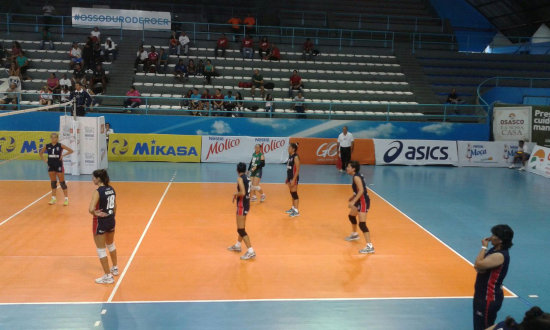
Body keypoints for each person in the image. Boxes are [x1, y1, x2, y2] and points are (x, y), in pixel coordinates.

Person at [473, 224, 514, 330]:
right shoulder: (493, 250)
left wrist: (483, 247)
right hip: (481, 295)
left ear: (500, 240)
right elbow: (479, 268)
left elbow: (478, 264)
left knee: (484, 327)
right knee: (478, 326)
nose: (491, 237)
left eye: (494, 235)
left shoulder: (499, 255)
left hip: (488, 298)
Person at [89, 169, 118, 284]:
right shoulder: (111, 189)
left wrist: (95, 213)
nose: (92, 179)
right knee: (110, 244)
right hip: (111, 220)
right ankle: (115, 268)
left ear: (98, 179)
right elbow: (115, 206)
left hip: (100, 222)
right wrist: (111, 216)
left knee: (101, 250)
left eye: (93, 178)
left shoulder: (98, 191)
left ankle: (108, 276)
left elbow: (91, 209)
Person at [227, 162, 256, 260]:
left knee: (240, 229)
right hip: (246, 204)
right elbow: (248, 191)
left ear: (237, 170)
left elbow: (242, 192)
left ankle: (251, 251)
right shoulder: (247, 178)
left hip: (241, 205)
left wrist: (235, 194)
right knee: (241, 226)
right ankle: (238, 245)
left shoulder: (240, 178)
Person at [345, 161, 375, 254]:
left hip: (363, 202)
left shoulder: (356, 177)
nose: (347, 168)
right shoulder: (356, 175)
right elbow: (358, 190)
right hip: (359, 200)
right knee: (351, 216)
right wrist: (353, 196)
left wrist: (353, 201)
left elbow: (361, 190)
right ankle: (354, 234)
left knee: (362, 224)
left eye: (348, 166)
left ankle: (369, 246)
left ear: (353, 169)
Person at [39, 133, 73, 206]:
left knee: (62, 182)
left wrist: (63, 155)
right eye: (52, 137)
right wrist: (45, 160)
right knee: (53, 182)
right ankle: (53, 198)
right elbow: (41, 153)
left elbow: (71, 150)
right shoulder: (47, 146)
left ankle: (66, 199)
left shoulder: (60, 145)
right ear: (50, 138)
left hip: (58, 165)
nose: (53, 139)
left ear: (57, 138)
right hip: (51, 165)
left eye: (55, 138)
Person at [285, 143, 300, 217]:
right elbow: (289, 168)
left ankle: (296, 211)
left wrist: (294, 179)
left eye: (289, 148)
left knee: (294, 193)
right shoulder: (290, 156)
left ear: (293, 149)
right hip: (289, 177)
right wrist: (287, 178)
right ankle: (293, 208)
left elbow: (297, 170)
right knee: (291, 193)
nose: (288, 149)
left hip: (294, 178)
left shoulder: (296, 157)